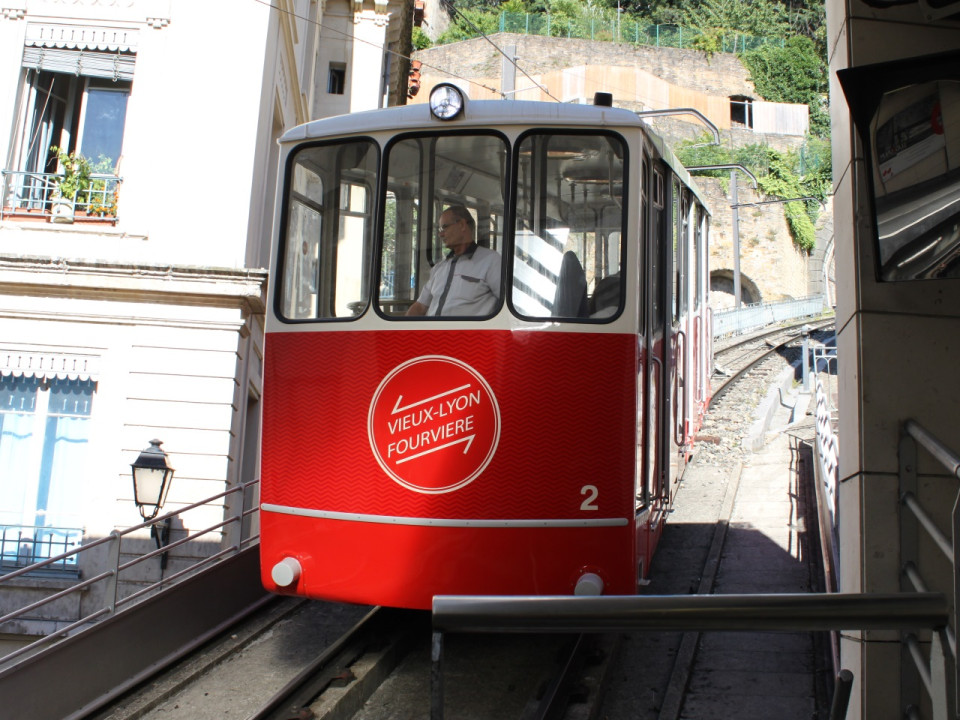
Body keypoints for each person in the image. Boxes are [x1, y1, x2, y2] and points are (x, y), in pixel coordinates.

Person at [406, 205, 501, 317]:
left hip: (466, 333)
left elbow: (508, 303)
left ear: (461, 225)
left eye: (444, 227)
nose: (440, 234)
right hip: (431, 332)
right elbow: (420, 306)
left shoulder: (491, 260)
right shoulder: (439, 268)